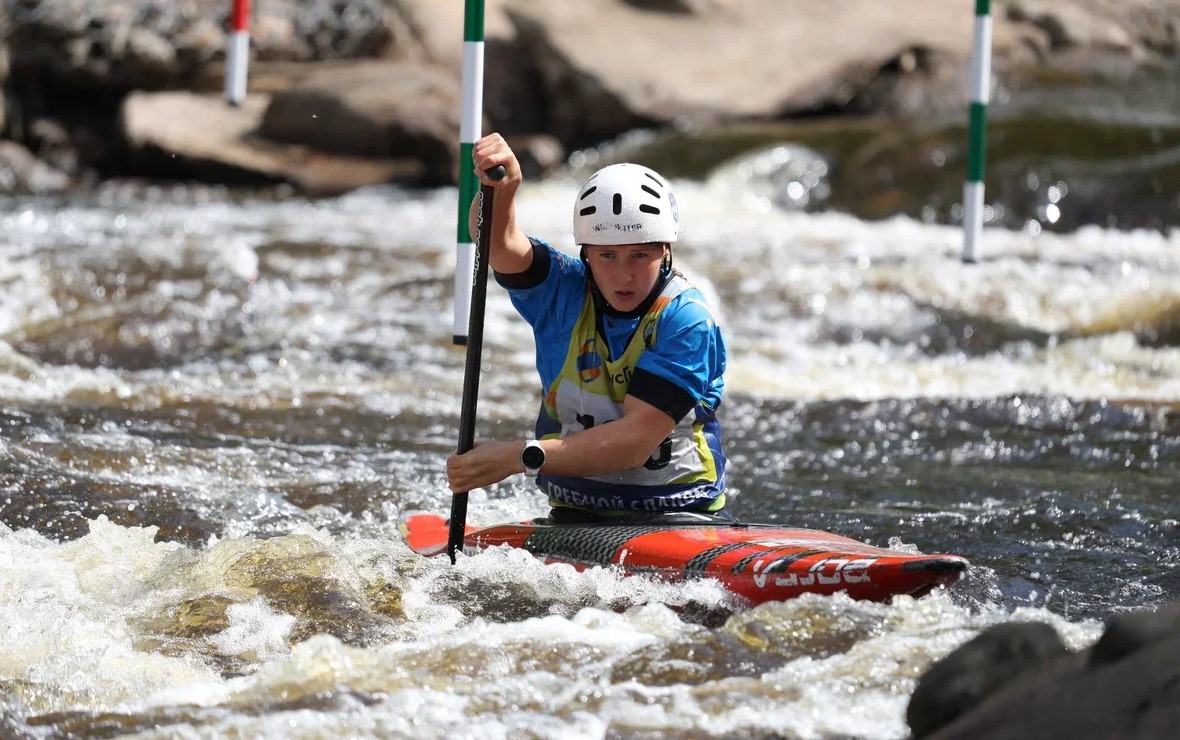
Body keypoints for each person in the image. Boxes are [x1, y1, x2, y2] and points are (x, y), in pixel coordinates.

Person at [446, 133, 729, 521]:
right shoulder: (561, 291)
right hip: (574, 512)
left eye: (640, 255)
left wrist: (518, 457)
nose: (623, 275)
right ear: (586, 254)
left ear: (666, 250)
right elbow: (497, 244)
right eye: (607, 256)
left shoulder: (685, 318)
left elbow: (632, 445)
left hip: (677, 513)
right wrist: (505, 188)